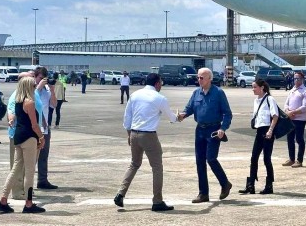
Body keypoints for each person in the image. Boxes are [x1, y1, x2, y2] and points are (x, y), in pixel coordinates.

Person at [114, 73, 175, 211]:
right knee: (157, 168)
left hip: (134, 133)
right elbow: (171, 118)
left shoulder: (135, 95)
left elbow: (127, 116)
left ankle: (120, 194)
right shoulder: (159, 98)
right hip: (148, 135)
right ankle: (157, 201)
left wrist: (129, 135)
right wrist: (179, 117)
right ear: (157, 84)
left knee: (134, 164)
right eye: (161, 83)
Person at [178, 67, 233, 203]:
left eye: (202, 77)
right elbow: (189, 108)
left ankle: (225, 183)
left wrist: (223, 128)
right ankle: (203, 193)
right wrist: (182, 115)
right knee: (199, 161)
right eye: (198, 77)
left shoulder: (218, 93)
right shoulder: (196, 93)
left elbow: (227, 113)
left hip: (214, 130)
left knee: (211, 158)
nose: (199, 80)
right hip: (200, 130)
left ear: (210, 78)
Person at [0, 77, 46, 214]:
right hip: (29, 137)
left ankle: (3, 200)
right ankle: (28, 203)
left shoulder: (18, 101)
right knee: (29, 171)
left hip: (18, 136)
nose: (35, 86)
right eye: (33, 84)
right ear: (29, 86)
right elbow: (34, 125)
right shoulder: (29, 102)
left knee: (15, 168)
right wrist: (41, 137)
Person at [239, 79, 278, 195]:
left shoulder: (270, 99)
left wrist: (270, 130)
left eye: (255, 87)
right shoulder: (256, 101)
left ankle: (269, 185)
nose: (253, 89)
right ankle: (250, 185)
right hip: (259, 131)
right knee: (254, 157)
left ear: (262, 88)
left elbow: (275, 116)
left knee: (267, 159)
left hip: (267, 131)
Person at [35, 67, 58, 190]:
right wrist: (39, 86)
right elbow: (32, 99)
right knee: (31, 157)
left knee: (44, 155)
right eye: (40, 78)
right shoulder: (32, 88)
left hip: (45, 127)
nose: (42, 81)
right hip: (34, 126)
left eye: (44, 78)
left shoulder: (47, 90)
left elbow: (53, 105)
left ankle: (42, 180)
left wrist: (52, 90)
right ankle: (26, 183)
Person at [282, 71, 306, 168]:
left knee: (299, 139)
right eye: (295, 78)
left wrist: (292, 112)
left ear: (302, 79)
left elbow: (304, 107)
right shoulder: (292, 90)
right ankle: (291, 158)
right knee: (290, 139)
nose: (296, 80)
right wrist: (287, 111)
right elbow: (286, 103)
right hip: (290, 118)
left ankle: (299, 160)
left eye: (298, 78)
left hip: (300, 119)